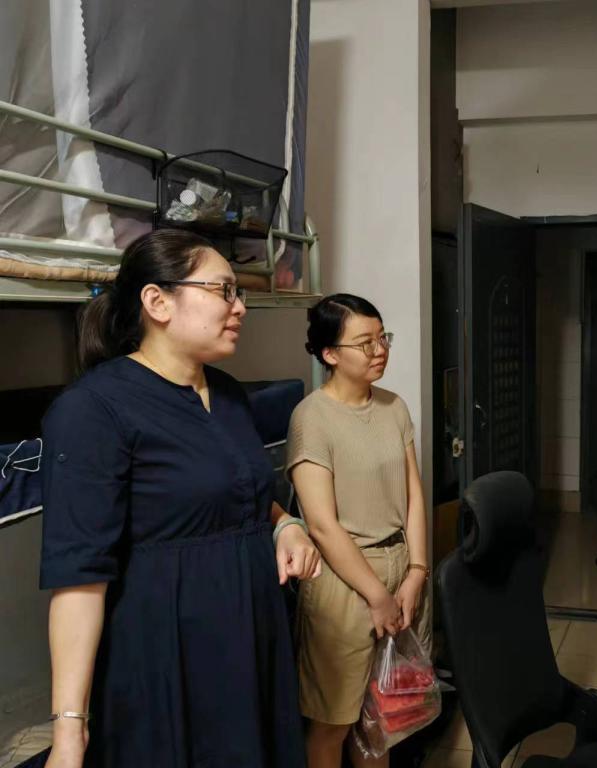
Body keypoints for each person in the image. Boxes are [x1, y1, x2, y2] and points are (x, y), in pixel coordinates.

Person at [40, 229, 320, 768]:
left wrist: (285, 523)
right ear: (157, 301)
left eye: (238, 293)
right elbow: (79, 577)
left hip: (253, 639)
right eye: (224, 290)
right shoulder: (93, 409)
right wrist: (69, 730)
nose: (240, 307)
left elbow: (235, 494)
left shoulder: (229, 394)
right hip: (167, 656)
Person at [288, 294, 431, 768]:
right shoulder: (311, 418)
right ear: (330, 354)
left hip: (401, 569)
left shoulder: (393, 407)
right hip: (346, 580)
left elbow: (413, 497)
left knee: (382, 719)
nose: (380, 350)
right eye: (365, 343)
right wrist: (377, 595)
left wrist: (416, 572)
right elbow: (322, 526)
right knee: (334, 722)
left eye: (382, 338)